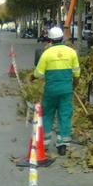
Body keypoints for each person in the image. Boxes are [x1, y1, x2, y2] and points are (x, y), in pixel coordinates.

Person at [33, 26, 80, 156]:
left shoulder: (46, 53)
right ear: (62, 39)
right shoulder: (71, 52)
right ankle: (62, 145)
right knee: (64, 115)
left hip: (51, 91)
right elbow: (77, 72)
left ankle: (45, 144)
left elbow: (38, 73)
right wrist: (74, 84)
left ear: (50, 40)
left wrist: (32, 77)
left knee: (47, 114)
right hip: (66, 90)